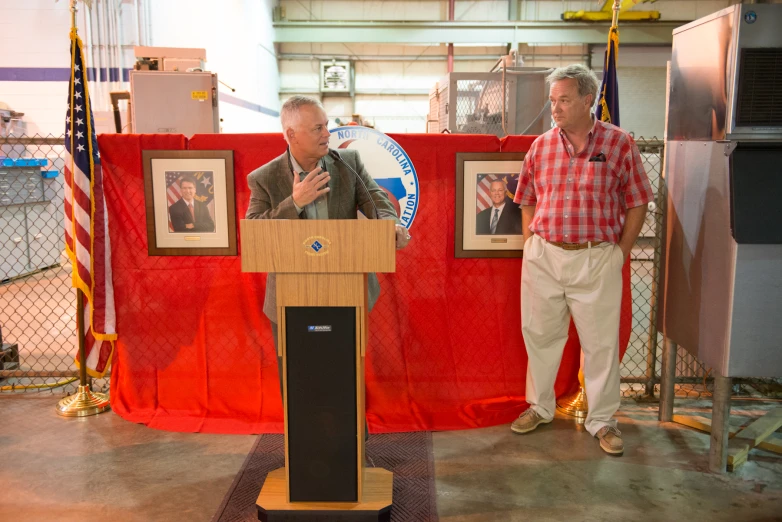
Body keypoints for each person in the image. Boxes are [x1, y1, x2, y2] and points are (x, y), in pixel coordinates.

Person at [510, 64, 653, 456]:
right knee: (539, 335)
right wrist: (531, 244)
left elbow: (639, 200)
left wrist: (620, 253)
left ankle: (603, 420)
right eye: (553, 100)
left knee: (600, 345)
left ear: (588, 100)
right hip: (545, 257)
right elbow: (526, 200)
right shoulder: (540, 146)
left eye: (564, 100)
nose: (555, 108)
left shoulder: (619, 143)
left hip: (597, 258)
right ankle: (539, 407)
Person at [245, 95, 411, 414]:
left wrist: (390, 224)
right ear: (291, 134)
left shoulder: (347, 164)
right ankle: (302, 457)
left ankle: (353, 454)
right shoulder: (264, 178)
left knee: (344, 380)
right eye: (318, 127)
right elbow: (254, 233)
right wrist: (294, 202)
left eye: (327, 125)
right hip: (289, 302)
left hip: (345, 293)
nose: (327, 134)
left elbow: (376, 200)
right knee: (299, 383)